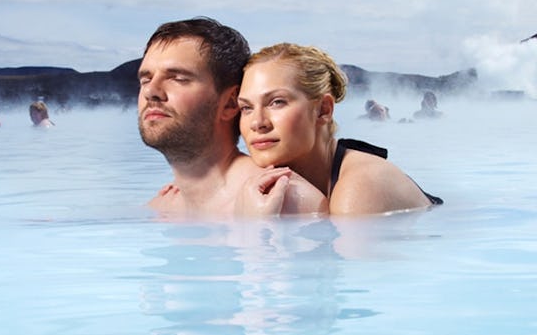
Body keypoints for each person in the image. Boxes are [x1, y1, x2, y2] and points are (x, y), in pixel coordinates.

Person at [138, 17, 326, 218]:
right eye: (145, 79)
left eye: (178, 78)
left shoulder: (288, 199)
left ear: (229, 103)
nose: (151, 91)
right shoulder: (161, 207)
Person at [236, 43, 442, 216]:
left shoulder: (360, 188)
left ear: (323, 110)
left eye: (277, 102)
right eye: (246, 107)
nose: (257, 122)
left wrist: (259, 228)